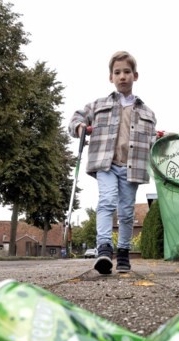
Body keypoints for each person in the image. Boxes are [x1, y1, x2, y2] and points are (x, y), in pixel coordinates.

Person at [68, 51, 157, 274]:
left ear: (135, 76)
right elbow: (76, 118)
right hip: (105, 164)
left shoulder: (147, 112)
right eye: (117, 72)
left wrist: (161, 140)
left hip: (131, 167)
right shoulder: (98, 105)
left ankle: (124, 253)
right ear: (111, 78)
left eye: (127, 72)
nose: (122, 76)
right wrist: (80, 128)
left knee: (126, 212)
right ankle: (104, 249)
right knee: (107, 201)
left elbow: (152, 141)